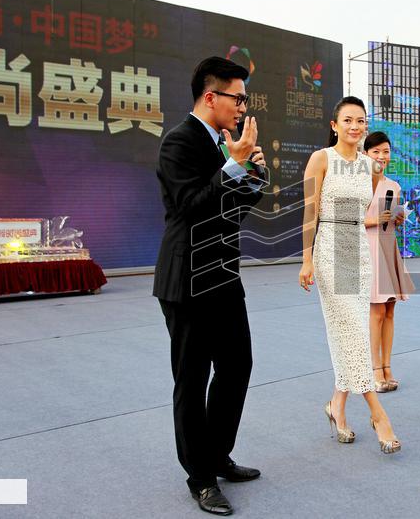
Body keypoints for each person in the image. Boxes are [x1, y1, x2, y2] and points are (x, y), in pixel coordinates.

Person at [153, 57, 266, 515]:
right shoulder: (177, 143)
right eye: (237, 98)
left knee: (238, 365)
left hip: (222, 275)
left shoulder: (225, 144)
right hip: (187, 282)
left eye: (244, 99)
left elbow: (233, 209)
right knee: (192, 379)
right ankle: (199, 477)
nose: (242, 107)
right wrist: (233, 166)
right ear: (210, 97)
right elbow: (191, 207)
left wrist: (252, 171)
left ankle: (218, 455)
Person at [299, 96, 401, 454]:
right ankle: (378, 413)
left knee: (350, 331)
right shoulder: (321, 159)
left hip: (358, 251)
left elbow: (366, 214)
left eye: (361, 121)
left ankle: (336, 406)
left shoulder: (367, 166)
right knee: (355, 332)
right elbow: (310, 212)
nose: (355, 127)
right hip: (329, 248)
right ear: (334, 125)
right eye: (348, 120)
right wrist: (306, 259)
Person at [364, 131, 415, 392]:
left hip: (388, 247)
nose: (382, 156)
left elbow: (391, 218)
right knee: (376, 311)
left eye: (386, 151)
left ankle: (387, 367)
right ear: (365, 154)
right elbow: (349, 220)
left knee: (390, 310)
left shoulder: (393, 186)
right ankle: (374, 370)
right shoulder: (357, 183)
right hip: (368, 249)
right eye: (376, 152)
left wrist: (397, 218)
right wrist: (378, 219)